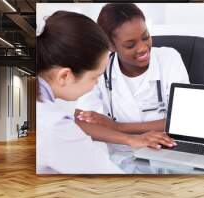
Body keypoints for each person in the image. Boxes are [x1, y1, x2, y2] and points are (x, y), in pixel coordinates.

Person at [36, 11, 174, 174]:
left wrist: (129, 138)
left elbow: (76, 123)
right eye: (95, 77)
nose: (96, 83)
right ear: (65, 76)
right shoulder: (56, 127)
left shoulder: (42, 108)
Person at [75, 3, 189, 168]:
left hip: (166, 154)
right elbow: (85, 121)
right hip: (119, 158)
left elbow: (182, 120)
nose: (143, 48)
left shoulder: (169, 59)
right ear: (111, 46)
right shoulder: (99, 68)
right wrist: (130, 138)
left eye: (145, 36)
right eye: (130, 45)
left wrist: (117, 126)